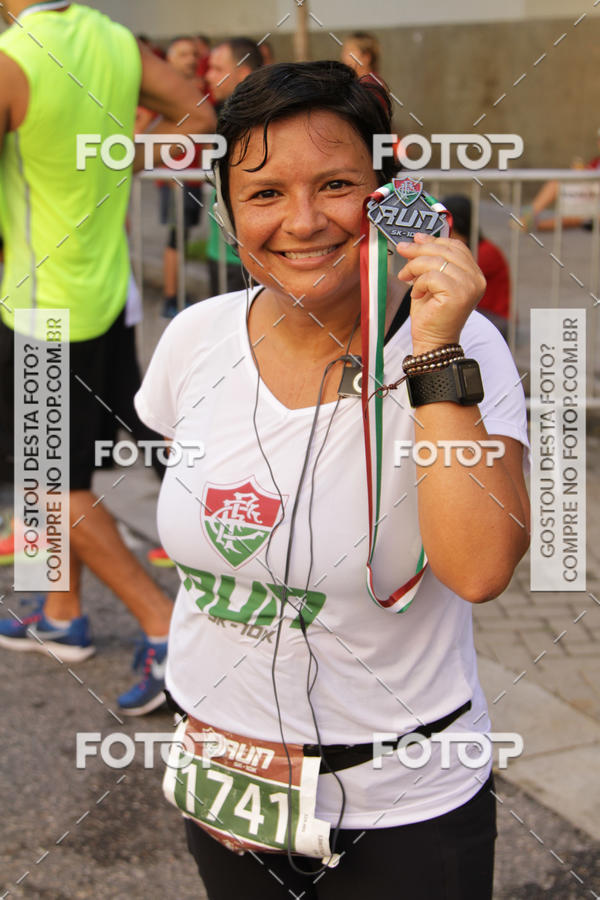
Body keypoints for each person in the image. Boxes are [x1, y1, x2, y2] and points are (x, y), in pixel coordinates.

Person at [135, 61, 530, 898]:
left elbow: (480, 568)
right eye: (265, 193)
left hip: (403, 801)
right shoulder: (195, 339)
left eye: (338, 184)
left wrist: (434, 350)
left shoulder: (460, 348)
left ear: (387, 195)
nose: (304, 220)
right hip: (226, 778)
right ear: (227, 209)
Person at [0, 0, 215, 715]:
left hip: (41, 304)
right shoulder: (113, 39)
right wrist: (121, 153)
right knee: (65, 467)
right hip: (106, 290)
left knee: (49, 485)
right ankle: (62, 613)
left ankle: (164, 628)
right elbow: (200, 115)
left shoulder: (14, 60)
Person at [204, 37, 263, 296]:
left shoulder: (261, 125)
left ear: (243, 74)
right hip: (220, 249)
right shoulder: (220, 116)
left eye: (217, 69)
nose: (208, 76)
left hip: (245, 255)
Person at [156, 36, 203, 319]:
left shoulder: (199, 88)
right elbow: (140, 126)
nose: (191, 59)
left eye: (194, 54)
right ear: (169, 59)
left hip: (195, 176)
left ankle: (179, 295)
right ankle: (170, 299)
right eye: (183, 54)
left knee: (184, 236)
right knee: (176, 237)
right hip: (175, 178)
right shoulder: (161, 91)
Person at [442, 194, 510, 340]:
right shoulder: (470, 249)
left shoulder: (486, 252)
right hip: (474, 312)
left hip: (493, 318)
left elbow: (449, 277)